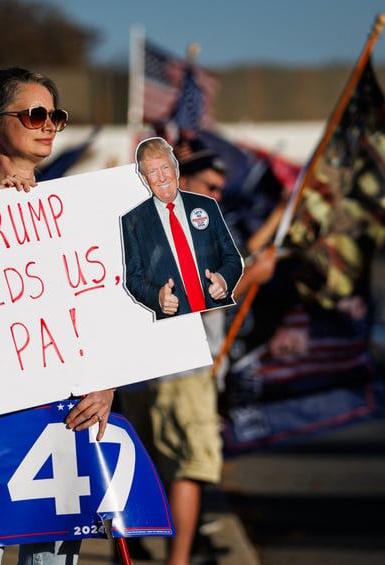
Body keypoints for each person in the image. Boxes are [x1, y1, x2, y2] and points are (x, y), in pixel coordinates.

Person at [0, 67, 115, 565]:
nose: (49, 124)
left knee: (52, 560)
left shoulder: (71, 205)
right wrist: (0, 210)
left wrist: (104, 383)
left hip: (60, 410)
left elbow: (90, 306)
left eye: (55, 115)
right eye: (35, 114)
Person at [119, 137, 276, 565]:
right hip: (181, 373)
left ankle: (137, 554)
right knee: (187, 470)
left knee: (146, 473)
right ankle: (179, 561)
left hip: (140, 373)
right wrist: (251, 276)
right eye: (210, 185)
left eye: (222, 189)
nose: (218, 195)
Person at [121, 136, 244, 320]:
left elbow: (232, 258)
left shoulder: (208, 207)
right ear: (145, 178)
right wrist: (157, 296)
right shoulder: (134, 221)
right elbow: (133, 279)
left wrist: (223, 280)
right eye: (153, 171)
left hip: (212, 339)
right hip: (170, 329)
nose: (162, 177)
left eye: (165, 168)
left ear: (176, 170)